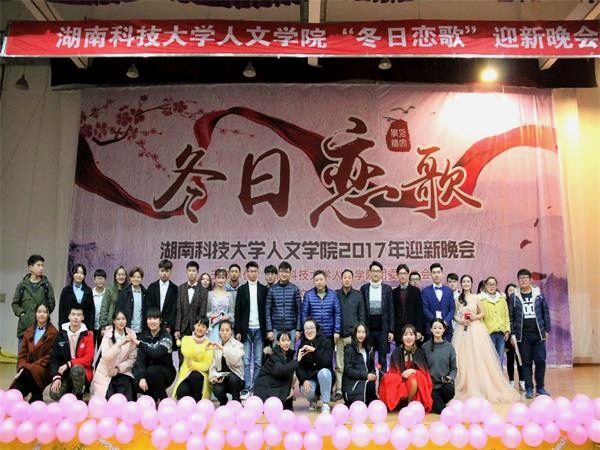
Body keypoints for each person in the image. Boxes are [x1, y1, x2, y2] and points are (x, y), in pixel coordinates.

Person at [452, 275, 520, 403]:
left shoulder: (476, 297)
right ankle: (465, 385)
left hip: (475, 329)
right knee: (463, 358)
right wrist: (461, 321)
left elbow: (483, 313)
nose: (466, 284)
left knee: (478, 357)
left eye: (468, 281)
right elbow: (454, 315)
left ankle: (481, 386)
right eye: (464, 282)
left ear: (471, 283)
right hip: (462, 330)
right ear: (461, 283)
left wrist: (474, 317)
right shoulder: (458, 299)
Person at [509, 268, 551, 399]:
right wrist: (512, 334)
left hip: (538, 333)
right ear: (518, 280)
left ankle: (540, 387)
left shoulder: (539, 294)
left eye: (525, 278)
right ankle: (528, 388)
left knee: (540, 360)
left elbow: (545, 312)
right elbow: (510, 316)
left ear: (531, 280)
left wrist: (546, 330)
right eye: (520, 278)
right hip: (523, 335)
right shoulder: (514, 297)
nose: (523, 280)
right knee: (525, 362)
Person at [379, 324, 433, 412]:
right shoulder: (397, 351)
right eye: (405, 334)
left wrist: (413, 371)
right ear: (402, 337)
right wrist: (402, 376)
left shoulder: (419, 352)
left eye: (411, 334)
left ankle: (409, 404)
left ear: (415, 337)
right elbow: (393, 370)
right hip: (400, 378)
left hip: (413, 380)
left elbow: (424, 373)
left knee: (413, 380)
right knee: (389, 378)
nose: (408, 337)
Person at [11, 303, 58, 402]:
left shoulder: (54, 333)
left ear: (48, 315)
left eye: (45, 312)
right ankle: (36, 394)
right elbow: (22, 354)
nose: (42, 314)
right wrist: (22, 367)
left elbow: (51, 355)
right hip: (27, 370)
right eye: (39, 312)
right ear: (35, 314)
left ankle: (36, 394)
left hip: (44, 368)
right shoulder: (28, 331)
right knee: (15, 390)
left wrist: (28, 367)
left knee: (30, 370)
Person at [234, 261, 268, 399]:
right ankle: (247, 387)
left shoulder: (264, 289)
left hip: (260, 329)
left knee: (258, 361)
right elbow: (237, 312)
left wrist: (268, 329)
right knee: (246, 361)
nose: (253, 273)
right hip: (245, 329)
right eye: (250, 271)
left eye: (255, 271)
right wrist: (237, 330)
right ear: (246, 273)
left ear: (258, 272)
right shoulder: (241, 290)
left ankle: (256, 387)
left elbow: (267, 311)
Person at [49, 304, 95, 401]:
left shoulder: (88, 335)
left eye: (79, 315)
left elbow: (88, 359)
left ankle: (78, 394)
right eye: (73, 314)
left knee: (77, 369)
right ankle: (70, 389)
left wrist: (69, 364)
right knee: (54, 394)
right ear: (69, 316)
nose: (75, 317)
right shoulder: (61, 335)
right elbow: (54, 358)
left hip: (82, 373)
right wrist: (56, 376)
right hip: (65, 373)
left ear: (83, 317)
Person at [12, 255, 56, 353]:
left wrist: (43, 314)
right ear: (30, 267)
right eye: (38, 265)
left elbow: (51, 304)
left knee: (39, 358)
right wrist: (22, 314)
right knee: (22, 357)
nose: (41, 268)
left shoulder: (47, 285)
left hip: (42, 328)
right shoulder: (22, 285)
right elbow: (15, 304)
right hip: (24, 328)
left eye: (42, 265)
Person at [132, 309, 176, 402]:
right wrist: (142, 377)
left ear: (160, 320)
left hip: (166, 372)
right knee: (136, 383)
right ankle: (153, 397)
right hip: (149, 372)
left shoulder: (166, 337)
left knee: (152, 371)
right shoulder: (143, 336)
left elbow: (156, 354)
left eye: (155, 318)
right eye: (149, 319)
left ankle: (163, 398)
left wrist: (140, 344)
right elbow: (140, 360)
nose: (152, 321)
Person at [92, 310, 137, 400]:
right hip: (106, 372)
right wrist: (119, 344)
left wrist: (118, 369)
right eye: (118, 319)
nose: (121, 322)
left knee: (125, 391)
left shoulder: (131, 335)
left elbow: (132, 359)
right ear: (114, 321)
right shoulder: (107, 335)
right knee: (108, 395)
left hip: (123, 371)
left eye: (123, 319)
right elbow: (106, 357)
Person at [334, 269, 365, 402]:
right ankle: (339, 389)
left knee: (353, 364)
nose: (347, 280)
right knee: (339, 364)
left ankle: (353, 388)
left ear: (352, 279)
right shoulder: (335, 294)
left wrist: (360, 334)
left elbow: (361, 316)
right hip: (340, 336)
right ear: (341, 279)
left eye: (349, 277)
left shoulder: (358, 295)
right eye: (344, 277)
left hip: (353, 336)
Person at [360, 261, 394, 372]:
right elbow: (362, 310)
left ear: (381, 273)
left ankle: (383, 379)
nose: (375, 273)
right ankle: (370, 379)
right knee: (369, 356)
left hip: (383, 329)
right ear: (369, 272)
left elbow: (391, 310)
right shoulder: (364, 288)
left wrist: (391, 330)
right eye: (373, 271)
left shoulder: (387, 289)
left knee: (382, 358)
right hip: (368, 329)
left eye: (378, 271)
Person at [174, 261, 208, 365]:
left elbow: (202, 312)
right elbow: (178, 310)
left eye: (193, 271)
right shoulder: (180, 288)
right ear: (186, 272)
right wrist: (177, 328)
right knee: (181, 356)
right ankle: (181, 375)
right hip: (182, 328)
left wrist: (199, 328)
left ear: (197, 272)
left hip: (196, 329)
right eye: (189, 270)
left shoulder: (203, 291)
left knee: (195, 356)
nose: (191, 273)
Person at [297, 318, 334, 413]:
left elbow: (326, 362)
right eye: (306, 329)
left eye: (311, 328)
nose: (309, 331)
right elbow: (299, 367)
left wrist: (314, 351)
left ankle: (325, 403)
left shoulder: (326, 342)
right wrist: (304, 380)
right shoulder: (302, 346)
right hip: (311, 378)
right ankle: (313, 401)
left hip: (325, 376)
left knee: (324, 372)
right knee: (304, 389)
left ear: (316, 329)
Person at [254, 331, 298, 410]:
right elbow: (281, 370)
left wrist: (291, 388)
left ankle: (286, 403)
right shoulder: (274, 355)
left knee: (292, 376)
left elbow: (289, 372)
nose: (286, 343)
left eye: (288, 340)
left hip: (275, 384)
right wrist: (297, 361)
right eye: (283, 340)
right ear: (278, 342)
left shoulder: (289, 354)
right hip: (265, 387)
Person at [172, 317, 213, 401]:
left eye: (203, 327)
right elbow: (185, 352)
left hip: (201, 376)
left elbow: (207, 365)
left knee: (196, 375)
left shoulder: (209, 344)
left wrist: (193, 364)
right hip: (186, 374)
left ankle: (198, 400)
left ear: (207, 329)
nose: (200, 328)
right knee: (182, 392)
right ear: (194, 326)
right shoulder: (186, 339)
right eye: (198, 325)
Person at [422, 319, 456, 414]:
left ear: (444, 330)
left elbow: (454, 368)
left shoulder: (449, 347)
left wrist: (450, 377)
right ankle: (436, 401)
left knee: (450, 389)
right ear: (431, 330)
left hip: (444, 385)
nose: (437, 330)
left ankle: (439, 400)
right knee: (440, 410)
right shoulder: (425, 347)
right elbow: (422, 367)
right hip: (431, 387)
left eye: (440, 328)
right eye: (435, 328)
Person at [266, 261, 302, 345]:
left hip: (292, 329)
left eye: (286, 272)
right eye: (282, 271)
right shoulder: (272, 290)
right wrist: (269, 330)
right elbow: (268, 311)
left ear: (290, 274)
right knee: (276, 352)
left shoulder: (295, 289)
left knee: (290, 352)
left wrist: (298, 329)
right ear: (278, 273)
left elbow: (299, 311)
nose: (284, 274)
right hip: (276, 328)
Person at [209, 320, 245, 405]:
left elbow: (235, 360)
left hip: (236, 379)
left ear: (231, 332)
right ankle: (223, 402)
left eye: (227, 330)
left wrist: (223, 349)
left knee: (233, 379)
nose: (224, 333)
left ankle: (236, 401)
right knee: (217, 389)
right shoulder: (216, 346)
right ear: (219, 332)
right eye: (222, 330)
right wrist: (214, 377)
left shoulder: (238, 345)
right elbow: (213, 366)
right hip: (222, 378)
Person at [341, 323, 378, 406]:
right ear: (354, 334)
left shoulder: (368, 350)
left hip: (366, 383)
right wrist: (366, 375)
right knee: (370, 385)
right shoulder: (349, 349)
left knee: (380, 375)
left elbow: (371, 368)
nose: (361, 335)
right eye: (359, 332)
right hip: (352, 386)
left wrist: (374, 374)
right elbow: (349, 371)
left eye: (363, 332)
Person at [301, 270, 342, 342]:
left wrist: (337, 331)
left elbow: (337, 314)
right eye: (316, 280)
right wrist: (306, 330)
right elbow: (304, 314)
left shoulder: (333, 295)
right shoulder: (308, 295)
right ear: (314, 282)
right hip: (313, 334)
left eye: (321, 279)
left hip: (329, 334)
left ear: (325, 280)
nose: (319, 282)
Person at [392, 264, 425, 347]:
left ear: (408, 275)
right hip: (399, 330)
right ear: (397, 275)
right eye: (400, 274)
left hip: (412, 328)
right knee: (399, 353)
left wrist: (419, 330)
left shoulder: (416, 291)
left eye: (404, 273)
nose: (402, 276)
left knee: (413, 352)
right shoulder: (394, 292)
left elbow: (419, 312)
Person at [480, 276, 510, 363]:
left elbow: (506, 315)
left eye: (493, 284)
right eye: (489, 284)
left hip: (501, 333)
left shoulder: (502, 299)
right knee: (490, 360)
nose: (491, 286)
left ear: (496, 286)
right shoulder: (481, 299)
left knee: (500, 358)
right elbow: (480, 318)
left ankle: (499, 373)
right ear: (485, 285)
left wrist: (507, 330)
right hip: (488, 334)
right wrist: (484, 332)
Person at [421, 263, 455, 341]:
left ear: (442, 274)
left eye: (438, 272)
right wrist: (435, 323)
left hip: (447, 329)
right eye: (434, 272)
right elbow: (425, 309)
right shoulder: (425, 291)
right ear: (431, 274)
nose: (436, 275)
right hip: (431, 329)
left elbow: (452, 309)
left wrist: (445, 322)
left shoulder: (449, 291)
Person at [146, 259, 178, 338]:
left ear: (171, 272)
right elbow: (148, 306)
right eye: (162, 271)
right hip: (153, 323)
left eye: (167, 271)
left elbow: (174, 309)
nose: (164, 273)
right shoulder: (152, 287)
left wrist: (169, 326)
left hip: (168, 326)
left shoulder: (175, 288)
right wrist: (152, 321)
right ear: (159, 271)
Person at [58, 263, 95, 330]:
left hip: (84, 326)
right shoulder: (66, 290)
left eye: (82, 273)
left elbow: (91, 311)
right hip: (68, 326)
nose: (79, 275)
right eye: (77, 272)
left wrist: (90, 328)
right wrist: (61, 328)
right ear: (73, 274)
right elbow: (61, 310)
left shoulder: (88, 290)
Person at [505, 283, 524, 391]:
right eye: (509, 290)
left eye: (513, 290)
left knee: (520, 359)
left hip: (518, 335)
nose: (511, 292)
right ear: (506, 292)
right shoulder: (504, 302)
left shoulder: (519, 302)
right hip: (508, 335)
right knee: (510, 360)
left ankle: (522, 381)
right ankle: (511, 381)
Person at [208, 267, 236, 342]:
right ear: (215, 279)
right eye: (218, 278)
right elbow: (207, 312)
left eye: (223, 278)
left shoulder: (229, 295)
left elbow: (232, 313)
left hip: (226, 328)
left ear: (226, 279)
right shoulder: (210, 294)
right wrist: (213, 316)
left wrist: (228, 316)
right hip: (213, 327)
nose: (220, 280)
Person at [117, 267, 147, 334]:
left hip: (142, 330)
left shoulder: (145, 293)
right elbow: (119, 311)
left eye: (138, 277)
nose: (136, 279)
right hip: (127, 329)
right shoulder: (124, 293)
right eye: (133, 277)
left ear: (141, 278)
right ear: (130, 278)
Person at [99, 266, 128, 332]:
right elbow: (104, 307)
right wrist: (103, 325)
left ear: (126, 276)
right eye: (119, 275)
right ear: (115, 276)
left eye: (123, 275)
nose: (121, 277)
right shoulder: (110, 289)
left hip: (125, 325)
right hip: (110, 323)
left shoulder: (128, 289)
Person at [91, 269, 107, 352]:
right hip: (92, 326)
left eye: (102, 278)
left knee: (102, 351)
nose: (100, 280)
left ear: (105, 280)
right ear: (94, 280)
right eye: (98, 278)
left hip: (103, 327)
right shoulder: (90, 293)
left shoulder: (107, 294)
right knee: (91, 349)